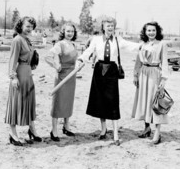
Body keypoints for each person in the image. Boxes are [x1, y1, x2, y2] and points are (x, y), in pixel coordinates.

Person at [76, 16, 139, 146]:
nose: (110, 27)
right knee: (100, 100)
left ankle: (115, 133)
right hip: (99, 70)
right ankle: (103, 129)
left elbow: (131, 46)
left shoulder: (118, 40)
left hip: (111, 71)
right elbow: (88, 51)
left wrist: (143, 46)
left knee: (112, 101)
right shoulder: (96, 39)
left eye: (112, 25)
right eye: (107, 25)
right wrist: (81, 59)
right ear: (103, 27)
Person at [5, 16, 42, 146]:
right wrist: (13, 77)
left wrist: (33, 63)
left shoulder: (27, 40)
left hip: (28, 74)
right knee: (16, 103)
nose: (29, 29)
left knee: (29, 102)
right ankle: (13, 134)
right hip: (19, 74)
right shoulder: (17, 40)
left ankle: (32, 130)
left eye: (31, 27)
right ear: (21, 25)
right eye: (27, 26)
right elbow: (12, 60)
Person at [132, 21, 169, 145]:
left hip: (155, 74)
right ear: (145, 32)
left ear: (157, 31)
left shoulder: (162, 44)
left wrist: (163, 80)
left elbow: (164, 63)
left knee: (155, 102)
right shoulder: (142, 44)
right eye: (149, 30)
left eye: (153, 30)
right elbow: (138, 61)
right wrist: (135, 75)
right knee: (144, 101)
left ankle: (157, 133)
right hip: (143, 74)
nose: (151, 33)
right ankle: (147, 128)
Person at [45, 23, 78, 142]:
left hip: (72, 77)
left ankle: (66, 126)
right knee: (58, 103)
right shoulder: (60, 44)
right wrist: (56, 65)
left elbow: (76, 60)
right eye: (68, 31)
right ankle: (54, 130)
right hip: (62, 77)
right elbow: (48, 56)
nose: (70, 34)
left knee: (68, 101)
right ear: (63, 32)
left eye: (72, 32)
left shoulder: (73, 44)